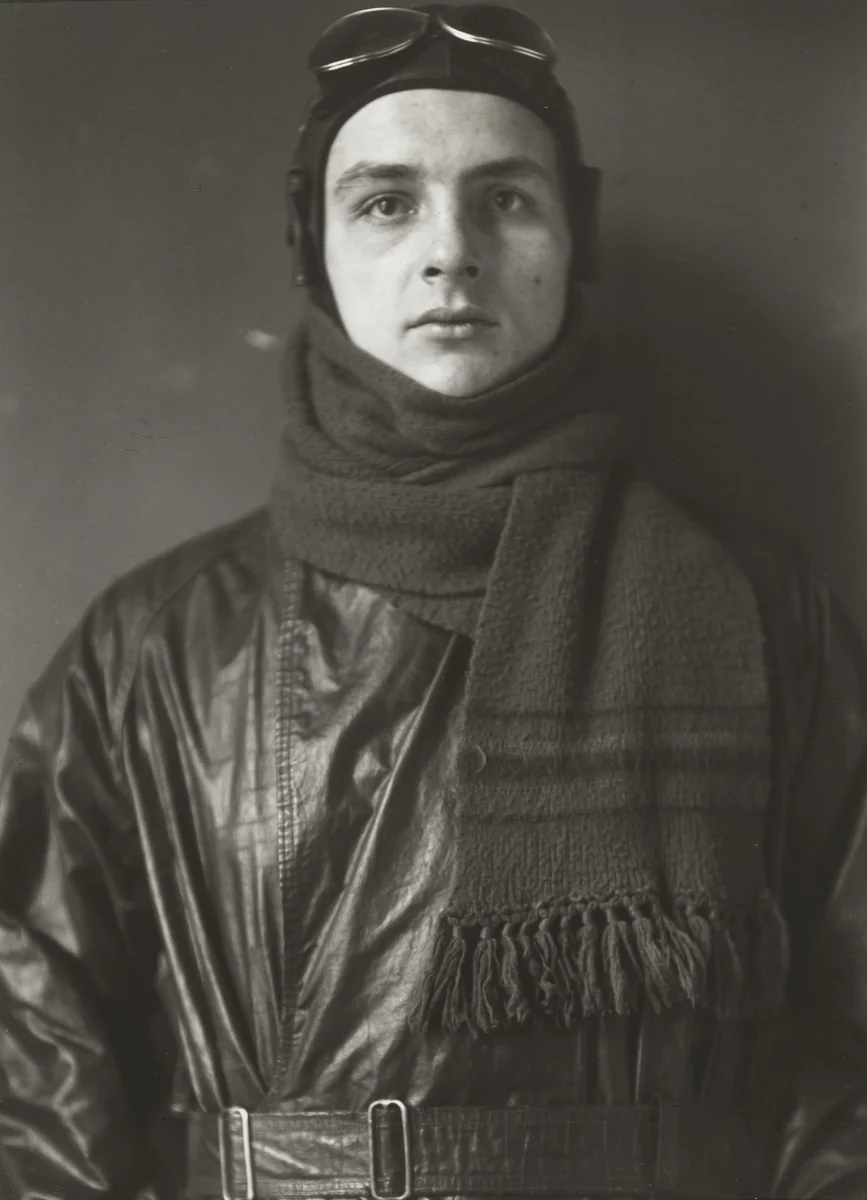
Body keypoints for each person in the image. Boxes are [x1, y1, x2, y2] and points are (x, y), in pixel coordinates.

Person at [1, 5, 866, 1198]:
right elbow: (38, 1058)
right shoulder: (151, 645)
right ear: (312, 246)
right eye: (387, 202)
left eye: (505, 198)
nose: (451, 251)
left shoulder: (762, 610)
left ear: (574, 235)